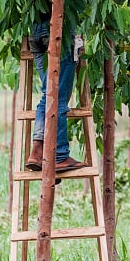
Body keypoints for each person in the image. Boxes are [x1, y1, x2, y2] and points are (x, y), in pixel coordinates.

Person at [25, 16, 86, 173]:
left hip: (35, 31)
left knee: (49, 95)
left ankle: (37, 151)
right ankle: (59, 155)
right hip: (59, 30)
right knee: (58, 97)